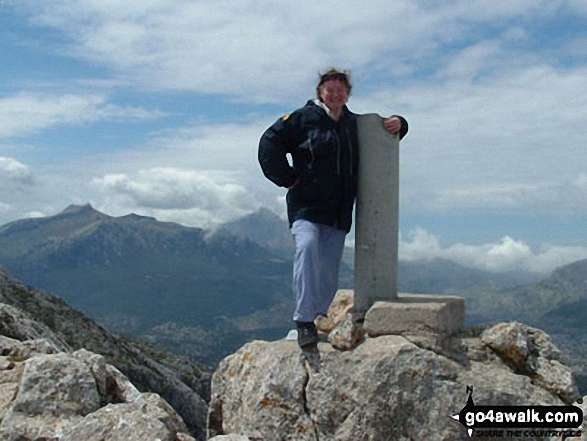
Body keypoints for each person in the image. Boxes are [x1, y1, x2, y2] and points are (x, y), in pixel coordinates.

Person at [258, 69, 408, 350]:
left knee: (328, 272)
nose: (335, 94)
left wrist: (402, 123)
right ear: (320, 92)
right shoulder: (303, 119)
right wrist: (286, 178)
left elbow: (384, 134)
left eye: (341, 89)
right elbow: (269, 142)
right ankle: (303, 321)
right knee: (307, 247)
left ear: (347, 93)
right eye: (330, 89)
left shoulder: (355, 124)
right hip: (306, 206)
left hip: (338, 211)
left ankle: (317, 317)